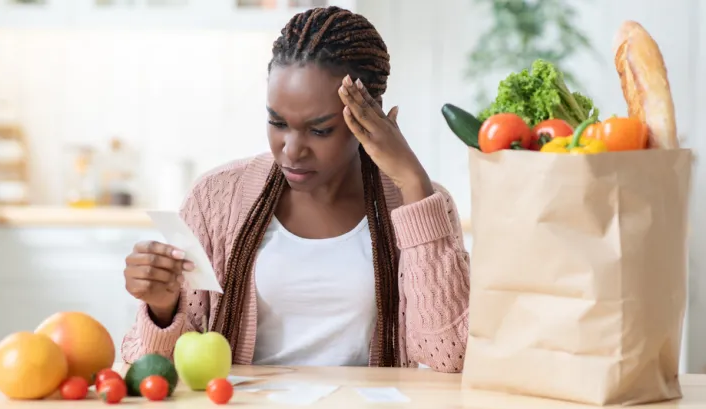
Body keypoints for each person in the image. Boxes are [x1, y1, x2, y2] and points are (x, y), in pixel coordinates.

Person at [121, 6, 470, 373]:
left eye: (319, 130)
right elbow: (155, 368)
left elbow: (449, 356)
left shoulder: (421, 202)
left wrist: (413, 183)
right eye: (277, 123)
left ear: (369, 113)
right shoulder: (214, 199)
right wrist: (162, 309)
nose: (291, 150)